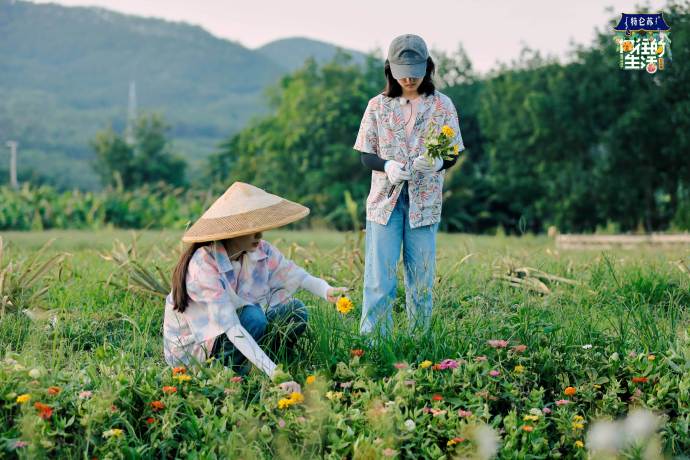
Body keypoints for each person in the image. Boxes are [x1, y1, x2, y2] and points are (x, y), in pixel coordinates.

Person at [163, 182, 348, 392]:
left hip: (235, 330)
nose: (259, 234)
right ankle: (231, 377)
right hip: (196, 352)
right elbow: (232, 326)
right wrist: (275, 375)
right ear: (232, 231)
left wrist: (327, 291)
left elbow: (295, 274)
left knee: (294, 310)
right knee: (253, 316)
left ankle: (266, 362)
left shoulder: (259, 251)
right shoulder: (203, 264)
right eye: (251, 228)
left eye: (259, 226)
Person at [354, 34, 465, 337]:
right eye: (403, 71)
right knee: (380, 280)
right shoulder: (377, 106)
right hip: (384, 203)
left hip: (424, 202)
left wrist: (439, 163)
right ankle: (375, 344)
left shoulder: (442, 105)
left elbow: (453, 149)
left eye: (415, 71)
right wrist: (387, 166)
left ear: (428, 67)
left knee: (421, 280)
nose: (409, 78)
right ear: (390, 69)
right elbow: (366, 154)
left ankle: (420, 343)